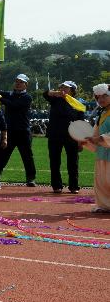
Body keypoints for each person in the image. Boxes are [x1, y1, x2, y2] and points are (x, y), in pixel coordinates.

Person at [0, 73, 37, 186]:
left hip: (23, 131)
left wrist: (1, 99)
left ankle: (31, 178)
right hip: (9, 131)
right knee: (2, 155)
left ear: (26, 85)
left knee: (27, 156)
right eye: (17, 81)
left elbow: (14, 106)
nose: (18, 84)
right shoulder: (9, 94)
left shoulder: (27, 97)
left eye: (21, 82)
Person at [43, 81, 85, 194]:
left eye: (66, 88)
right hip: (54, 135)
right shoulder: (55, 100)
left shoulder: (78, 104)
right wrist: (57, 93)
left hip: (71, 136)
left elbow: (81, 123)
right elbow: (45, 94)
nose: (63, 89)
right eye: (62, 87)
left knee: (73, 162)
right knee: (54, 161)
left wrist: (80, 141)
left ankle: (74, 186)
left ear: (72, 91)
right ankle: (57, 185)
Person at [81, 83, 110, 212]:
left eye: (104, 96)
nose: (101, 99)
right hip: (103, 153)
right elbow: (95, 134)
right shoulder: (102, 113)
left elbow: (100, 137)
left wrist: (99, 139)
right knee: (102, 182)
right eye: (98, 97)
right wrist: (85, 141)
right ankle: (105, 205)